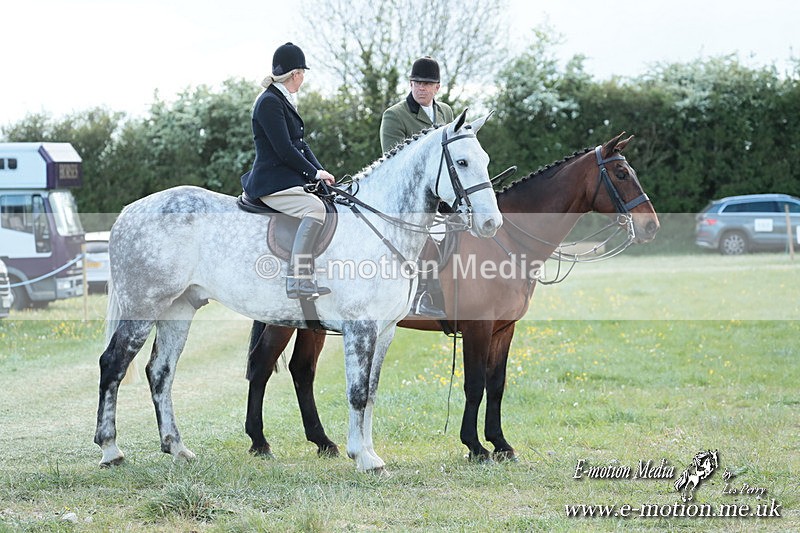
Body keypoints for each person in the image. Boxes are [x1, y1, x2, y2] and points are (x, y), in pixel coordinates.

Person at [241, 42, 335, 301]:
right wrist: (313, 175)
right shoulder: (269, 102)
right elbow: (284, 150)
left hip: (287, 178)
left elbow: (300, 145)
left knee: (326, 201)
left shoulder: (283, 99)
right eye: (303, 74)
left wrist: (320, 171)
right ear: (296, 74)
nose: (303, 79)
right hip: (272, 181)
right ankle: (297, 279)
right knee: (314, 209)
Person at [380, 56, 455, 318]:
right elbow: (394, 164)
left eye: (427, 83)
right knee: (431, 233)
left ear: (437, 87)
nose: (421, 88)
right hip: (408, 200)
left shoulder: (446, 112)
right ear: (410, 84)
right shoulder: (395, 115)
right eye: (416, 83)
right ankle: (423, 294)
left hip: (441, 195)